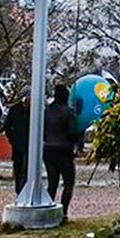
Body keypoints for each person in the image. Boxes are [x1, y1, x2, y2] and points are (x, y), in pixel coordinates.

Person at [43, 83, 79, 219]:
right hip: (64, 149)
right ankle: (63, 212)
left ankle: (48, 207)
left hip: (49, 148)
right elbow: (73, 132)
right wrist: (75, 143)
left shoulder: (47, 110)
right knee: (68, 182)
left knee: (52, 182)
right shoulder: (69, 112)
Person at [2, 87, 30, 195]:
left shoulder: (34, 110)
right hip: (18, 143)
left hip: (28, 144)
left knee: (27, 167)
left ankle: (25, 188)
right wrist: (12, 139)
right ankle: (19, 189)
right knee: (19, 168)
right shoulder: (15, 109)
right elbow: (7, 126)